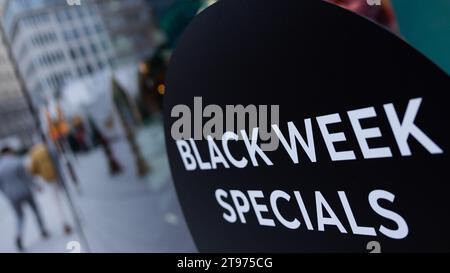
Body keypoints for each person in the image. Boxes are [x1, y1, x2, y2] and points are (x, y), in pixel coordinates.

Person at [0, 146, 49, 252]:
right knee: (36, 211)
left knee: (19, 217)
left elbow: (1, 186)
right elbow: (26, 178)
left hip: (12, 196)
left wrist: (7, 195)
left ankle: (18, 236)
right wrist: (36, 186)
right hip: (25, 191)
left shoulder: (0, 167)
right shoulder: (16, 162)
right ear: (9, 151)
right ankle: (43, 230)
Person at [28, 142, 73, 235]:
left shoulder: (33, 154)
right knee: (65, 197)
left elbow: (32, 170)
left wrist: (40, 172)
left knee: (57, 202)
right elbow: (57, 159)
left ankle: (65, 222)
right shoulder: (47, 148)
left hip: (48, 180)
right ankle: (72, 216)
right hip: (57, 176)